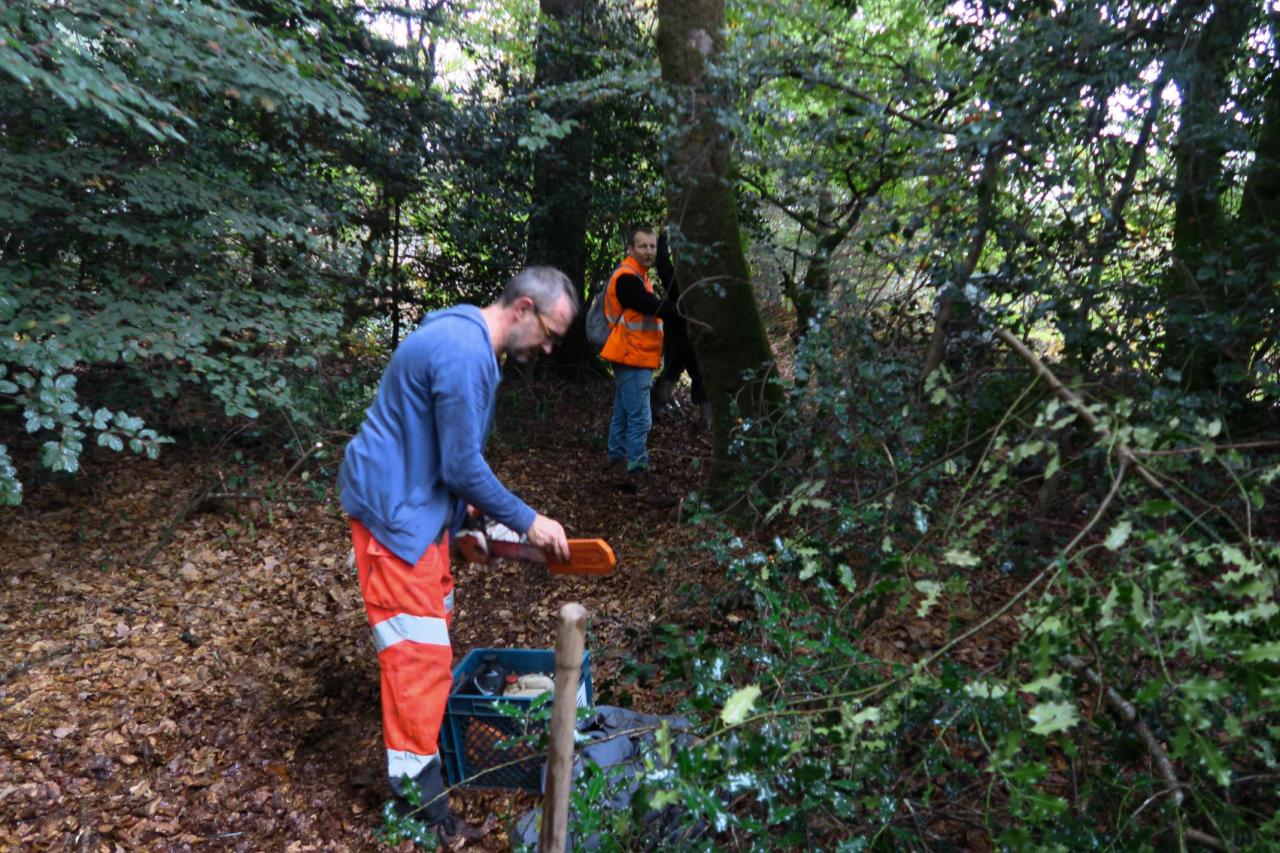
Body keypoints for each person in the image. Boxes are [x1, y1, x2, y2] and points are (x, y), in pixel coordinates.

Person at [337, 267, 578, 842]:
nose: (548, 346)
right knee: (417, 658)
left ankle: (427, 740)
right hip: (394, 516)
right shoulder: (465, 352)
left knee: (433, 632)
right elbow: (462, 466)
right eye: (549, 332)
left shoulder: (466, 335)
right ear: (523, 308)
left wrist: (464, 513)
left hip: (421, 509)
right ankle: (419, 806)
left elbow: (434, 441)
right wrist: (529, 521)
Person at [600, 225, 676, 507]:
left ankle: (617, 464)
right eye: (643, 246)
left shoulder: (638, 277)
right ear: (630, 249)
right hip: (631, 356)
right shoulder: (627, 279)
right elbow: (652, 307)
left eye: (653, 247)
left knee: (623, 412)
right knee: (641, 418)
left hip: (634, 356)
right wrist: (682, 311)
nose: (648, 251)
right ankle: (638, 474)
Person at [652, 229, 711, 432]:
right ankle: (705, 421)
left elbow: (661, 263)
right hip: (695, 335)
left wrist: (661, 237)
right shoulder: (704, 282)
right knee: (697, 377)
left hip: (679, 336)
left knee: (671, 372)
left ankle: (657, 409)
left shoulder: (676, 279)